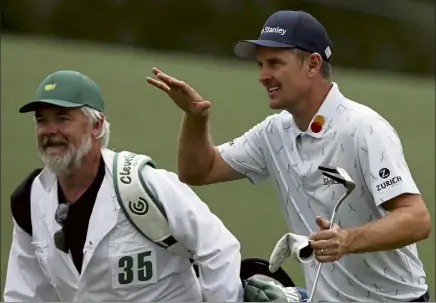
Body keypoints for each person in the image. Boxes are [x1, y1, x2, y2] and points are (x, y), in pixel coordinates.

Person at [146, 10, 432, 302]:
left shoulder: (364, 129)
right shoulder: (274, 132)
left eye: (274, 63)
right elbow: (199, 171)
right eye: (260, 65)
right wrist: (195, 117)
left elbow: (417, 218)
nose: (262, 76)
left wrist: (346, 240)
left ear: (312, 64)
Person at [3, 70, 244, 302]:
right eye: (41, 120)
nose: (49, 131)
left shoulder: (143, 183)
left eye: (62, 118)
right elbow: (24, 293)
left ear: (96, 126)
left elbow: (217, 248)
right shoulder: (29, 200)